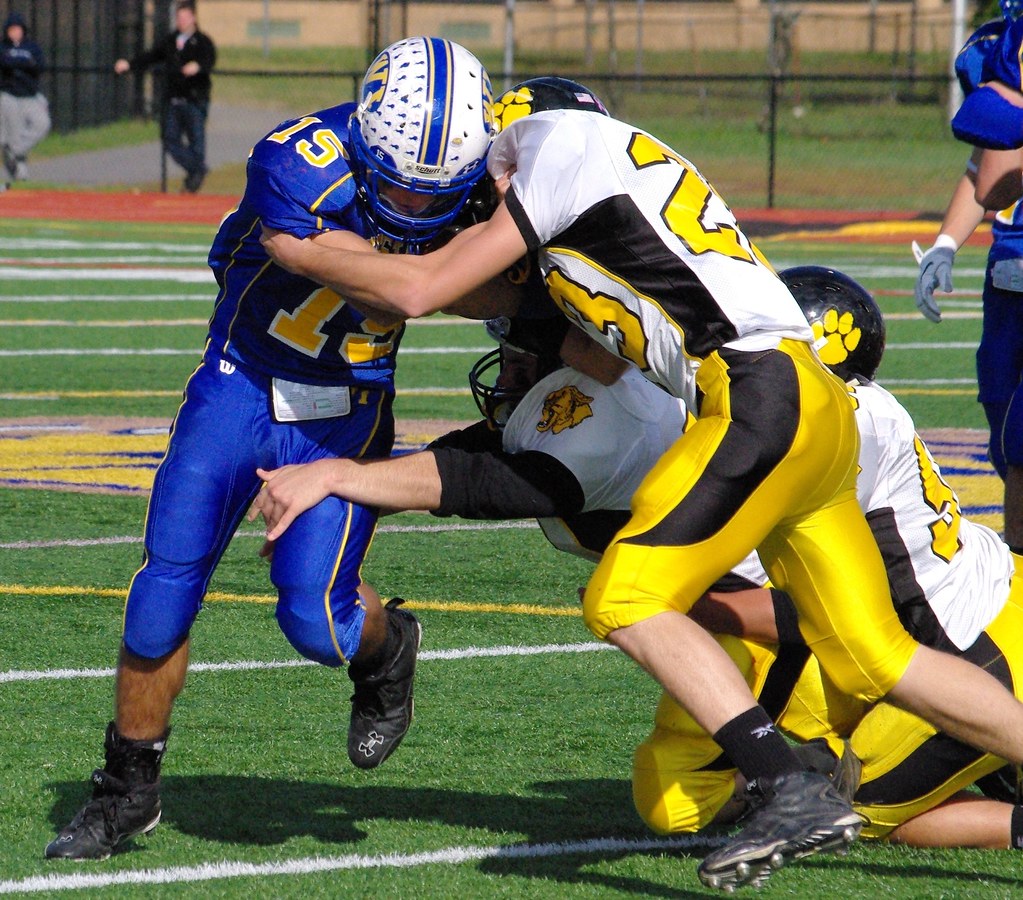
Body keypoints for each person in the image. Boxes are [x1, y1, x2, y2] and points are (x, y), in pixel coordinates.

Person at [259, 94, 1023, 891]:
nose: (485, 196)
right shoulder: (607, 180)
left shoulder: (555, 150)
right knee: (881, 655)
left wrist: (298, 246)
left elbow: (423, 290)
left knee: (622, 597)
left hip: (754, 393)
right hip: (809, 401)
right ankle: (798, 778)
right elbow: (580, 344)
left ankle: (784, 785)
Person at [43, 35, 495, 862]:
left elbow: (500, 290)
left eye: (438, 196)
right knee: (164, 587)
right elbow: (406, 284)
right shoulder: (299, 162)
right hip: (241, 381)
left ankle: (389, 647)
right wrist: (458, 268)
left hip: (344, 411)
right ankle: (126, 790)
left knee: (318, 626)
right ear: (365, 143)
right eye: (397, 184)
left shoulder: (483, 188)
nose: (416, 207)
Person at [634, 266, 1023, 852]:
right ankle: (985, 766)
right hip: (976, 618)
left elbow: (798, 608)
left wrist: (672, 605)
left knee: (853, 810)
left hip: (983, 650)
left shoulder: (839, 423)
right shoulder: (860, 408)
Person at [913, 13, 1023, 555]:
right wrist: (946, 244)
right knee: (1003, 420)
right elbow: (989, 171)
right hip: (1010, 267)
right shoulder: (997, 47)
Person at [114, 0, 217, 193]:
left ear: (193, 18)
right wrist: (129, 64)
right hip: (173, 100)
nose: (181, 21)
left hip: (195, 101)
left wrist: (198, 67)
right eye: (178, 17)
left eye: (185, 17)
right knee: (170, 139)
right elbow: (151, 56)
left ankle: (192, 184)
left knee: (197, 145)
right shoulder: (170, 41)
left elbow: (209, 60)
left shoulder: (203, 42)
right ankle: (197, 170)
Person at [0, 10, 50, 188]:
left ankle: (14, 150)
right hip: (10, 96)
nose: (15, 32)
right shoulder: (3, 47)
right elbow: (4, 63)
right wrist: (23, 63)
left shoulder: (32, 47)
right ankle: (21, 175)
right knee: (14, 131)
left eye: (18, 29)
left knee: (42, 124)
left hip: (30, 95)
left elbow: (39, 66)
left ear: (23, 30)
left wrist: (18, 64)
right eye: (11, 29)